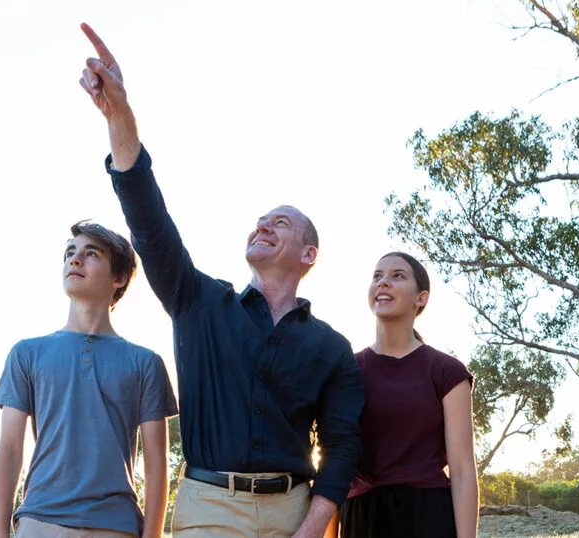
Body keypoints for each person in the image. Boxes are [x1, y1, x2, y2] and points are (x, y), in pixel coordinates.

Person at [78, 23, 365, 538]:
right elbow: (149, 223)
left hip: (293, 511)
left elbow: (342, 448)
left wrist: (310, 529)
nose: (263, 226)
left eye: (280, 223)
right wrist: (119, 116)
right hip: (208, 508)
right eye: (259, 221)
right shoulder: (198, 302)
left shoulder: (332, 349)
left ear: (309, 254)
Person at [0, 221, 179, 538]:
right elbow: (9, 449)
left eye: (91, 254)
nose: (75, 260)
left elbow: (157, 463)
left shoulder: (146, 363)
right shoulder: (26, 353)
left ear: (119, 278)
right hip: (39, 522)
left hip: (116, 526)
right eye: (70, 253)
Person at [335, 252, 478, 538]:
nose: (383, 282)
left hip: (429, 517)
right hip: (362, 519)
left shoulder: (447, 371)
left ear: (421, 298)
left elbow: (462, 471)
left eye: (397, 276)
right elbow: (334, 464)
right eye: (377, 276)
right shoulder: (346, 370)